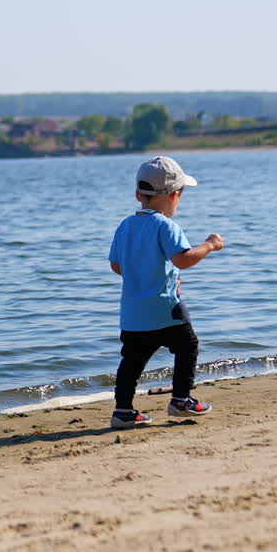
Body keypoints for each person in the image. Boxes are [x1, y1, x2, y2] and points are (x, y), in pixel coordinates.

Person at [107, 156, 224, 429]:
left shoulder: (125, 225)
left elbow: (116, 265)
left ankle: (123, 410)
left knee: (131, 363)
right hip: (165, 307)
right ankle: (181, 399)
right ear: (174, 195)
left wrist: (140, 270)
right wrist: (209, 245)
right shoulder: (165, 226)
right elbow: (183, 259)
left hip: (133, 313)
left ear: (138, 194)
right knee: (188, 345)